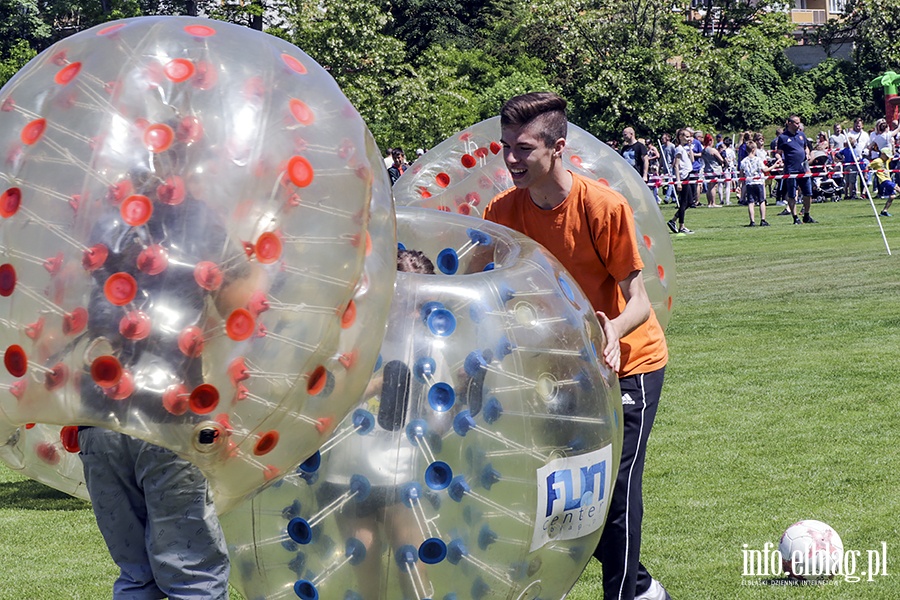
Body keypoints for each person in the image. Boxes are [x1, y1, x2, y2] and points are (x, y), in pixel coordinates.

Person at [482, 92, 671, 600]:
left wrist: (612, 329)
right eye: (505, 147)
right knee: (568, 496)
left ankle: (626, 595)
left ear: (557, 147)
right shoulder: (502, 211)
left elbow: (639, 301)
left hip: (628, 362)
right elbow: (483, 287)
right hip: (563, 371)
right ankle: (644, 588)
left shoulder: (602, 206)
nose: (511, 160)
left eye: (523, 148)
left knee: (615, 494)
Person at [78, 150, 265, 598]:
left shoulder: (100, 222)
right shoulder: (193, 221)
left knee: (136, 574)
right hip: (166, 417)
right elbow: (240, 307)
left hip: (97, 419)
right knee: (192, 573)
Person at [775, 115, 817, 225]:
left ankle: (806, 215)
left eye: (799, 123)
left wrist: (807, 154)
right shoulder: (783, 137)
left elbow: (806, 147)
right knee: (792, 195)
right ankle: (795, 217)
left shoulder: (801, 135)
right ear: (789, 123)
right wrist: (779, 160)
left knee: (808, 193)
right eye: (796, 123)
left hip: (803, 169)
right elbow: (778, 153)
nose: (798, 125)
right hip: (791, 170)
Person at [740, 140, 781, 227]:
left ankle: (752, 221)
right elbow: (765, 170)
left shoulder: (743, 161)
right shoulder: (758, 160)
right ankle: (763, 220)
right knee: (762, 201)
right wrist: (774, 166)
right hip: (759, 182)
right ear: (754, 149)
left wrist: (741, 184)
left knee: (751, 202)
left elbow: (741, 174)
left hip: (749, 183)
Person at [669, 128, 695, 234]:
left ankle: (673, 220)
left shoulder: (684, 149)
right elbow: (676, 165)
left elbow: (692, 160)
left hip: (687, 175)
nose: (688, 138)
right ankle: (681, 226)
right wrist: (678, 181)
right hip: (683, 177)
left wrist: (689, 147)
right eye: (686, 136)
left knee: (689, 202)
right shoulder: (679, 149)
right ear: (680, 137)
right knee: (684, 202)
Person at [867, 146, 895, 216]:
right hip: (883, 180)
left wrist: (893, 146)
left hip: (888, 179)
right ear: (882, 154)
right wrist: (866, 174)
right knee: (897, 188)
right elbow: (868, 166)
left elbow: (893, 156)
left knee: (892, 196)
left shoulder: (887, 160)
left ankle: (884, 211)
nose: (887, 157)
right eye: (886, 156)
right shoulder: (877, 161)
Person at [700, 133, 724, 207]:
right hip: (714, 169)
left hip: (707, 169)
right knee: (713, 186)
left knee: (709, 187)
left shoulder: (703, 150)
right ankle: (713, 203)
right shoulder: (712, 150)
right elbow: (721, 159)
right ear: (710, 141)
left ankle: (709, 203)